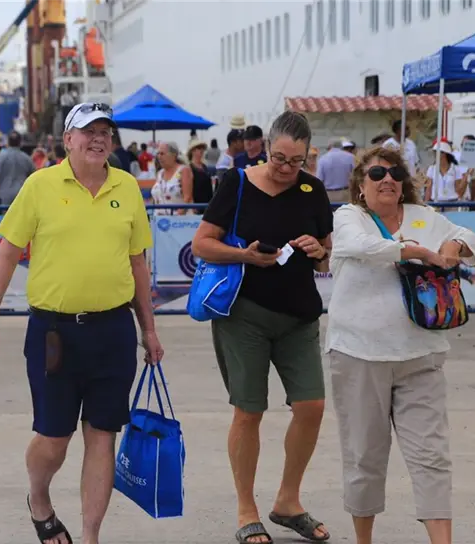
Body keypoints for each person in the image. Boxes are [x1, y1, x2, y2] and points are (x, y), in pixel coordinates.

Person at [0, 102, 163, 544]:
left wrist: (148, 329)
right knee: (53, 439)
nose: (98, 139)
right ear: (68, 140)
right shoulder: (40, 186)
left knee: (102, 434)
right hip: (54, 333)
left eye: (105, 132)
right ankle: (39, 497)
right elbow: (5, 254)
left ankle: (91, 536)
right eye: (88, 131)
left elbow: (137, 263)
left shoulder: (128, 187)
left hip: (113, 332)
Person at [326, 145, 475, 544]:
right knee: (365, 459)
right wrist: (414, 250)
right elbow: (360, 248)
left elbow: (469, 237)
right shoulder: (349, 217)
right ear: (361, 185)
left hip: (421, 356)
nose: (387, 180)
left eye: (394, 173)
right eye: (376, 175)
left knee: (432, 457)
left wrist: (455, 246)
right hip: (359, 354)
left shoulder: (424, 217)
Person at [191, 112, 333, 544]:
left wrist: (317, 250)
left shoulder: (313, 189)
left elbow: (327, 254)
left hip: (299, 316)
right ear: (265, 147)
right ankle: (246, 508)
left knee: (311, 407)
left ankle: (288, 502)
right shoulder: (236, 183)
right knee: (249, 411)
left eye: (296, 161)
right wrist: (247, 257)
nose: (286, 169)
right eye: (279, 158)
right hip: (245, 315)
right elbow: (202, 243)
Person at [0, 131, 36, 207]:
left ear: (8, 142)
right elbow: (34, 177)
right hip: (21, 195)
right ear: (20, 142)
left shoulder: (1, 157)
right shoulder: (26, 158)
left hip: (3, 196)